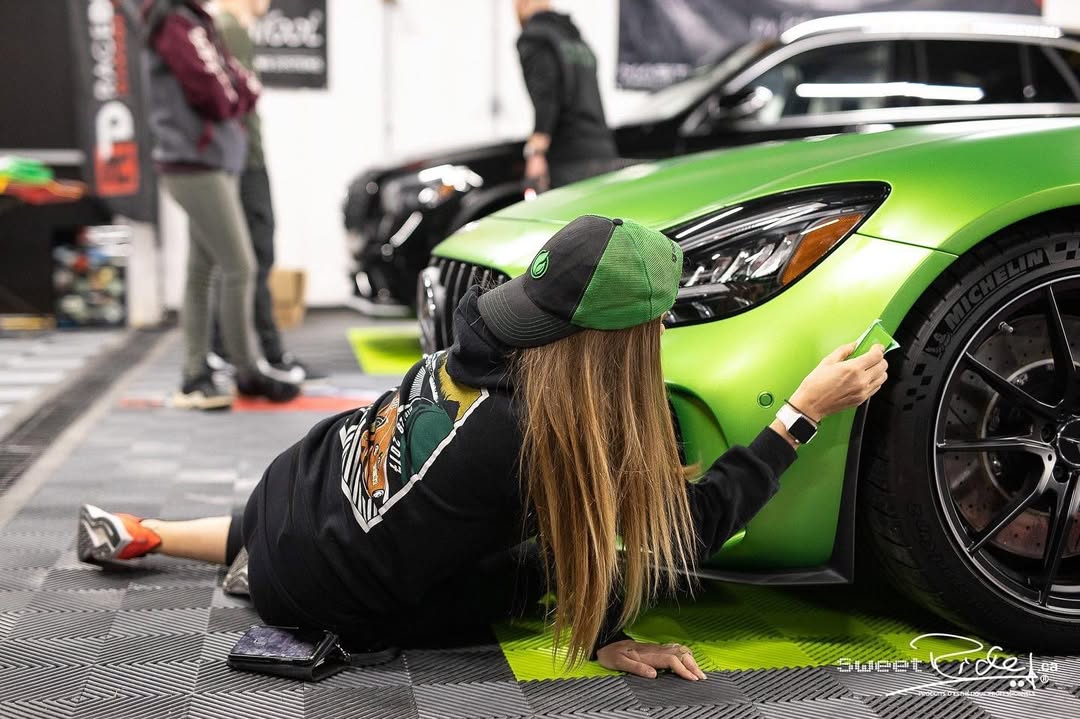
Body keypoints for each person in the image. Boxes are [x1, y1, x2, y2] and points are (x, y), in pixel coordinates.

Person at [76, 216, 888, 678]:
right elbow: (685, 531)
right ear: (627, 342)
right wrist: (799, 417)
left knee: (355, 517)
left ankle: (155, 531)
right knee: (541, 568)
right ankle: (259, 570)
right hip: (328, 601)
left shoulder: (482, 344)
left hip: (297, 486)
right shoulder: (541, 441)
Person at [143, 0, 300, 408]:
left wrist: (236, 90)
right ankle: (245, 370)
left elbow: (237, 81)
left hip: (211, 159)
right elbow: (215, 90)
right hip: (195, 162)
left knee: (203, 270)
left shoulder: (194, 20)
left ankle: (196, 375)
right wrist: (236, 93)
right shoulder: (176, 21)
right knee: (240, 266)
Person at [210, 0, 324, 384]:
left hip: (239, 161)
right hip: (245, 163)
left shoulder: (226, 28)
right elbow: (231, 106)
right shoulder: (230, 28)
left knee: (237, 259)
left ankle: (221, 351)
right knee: (255, 256)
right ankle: (272, 355)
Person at [514, 0, 623, 192]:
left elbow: (546, 94)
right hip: (603, 149)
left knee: (571, 220)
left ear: (523, 3)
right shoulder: (574, 37)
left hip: (569, 157)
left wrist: (536, 152)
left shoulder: (534, 37)